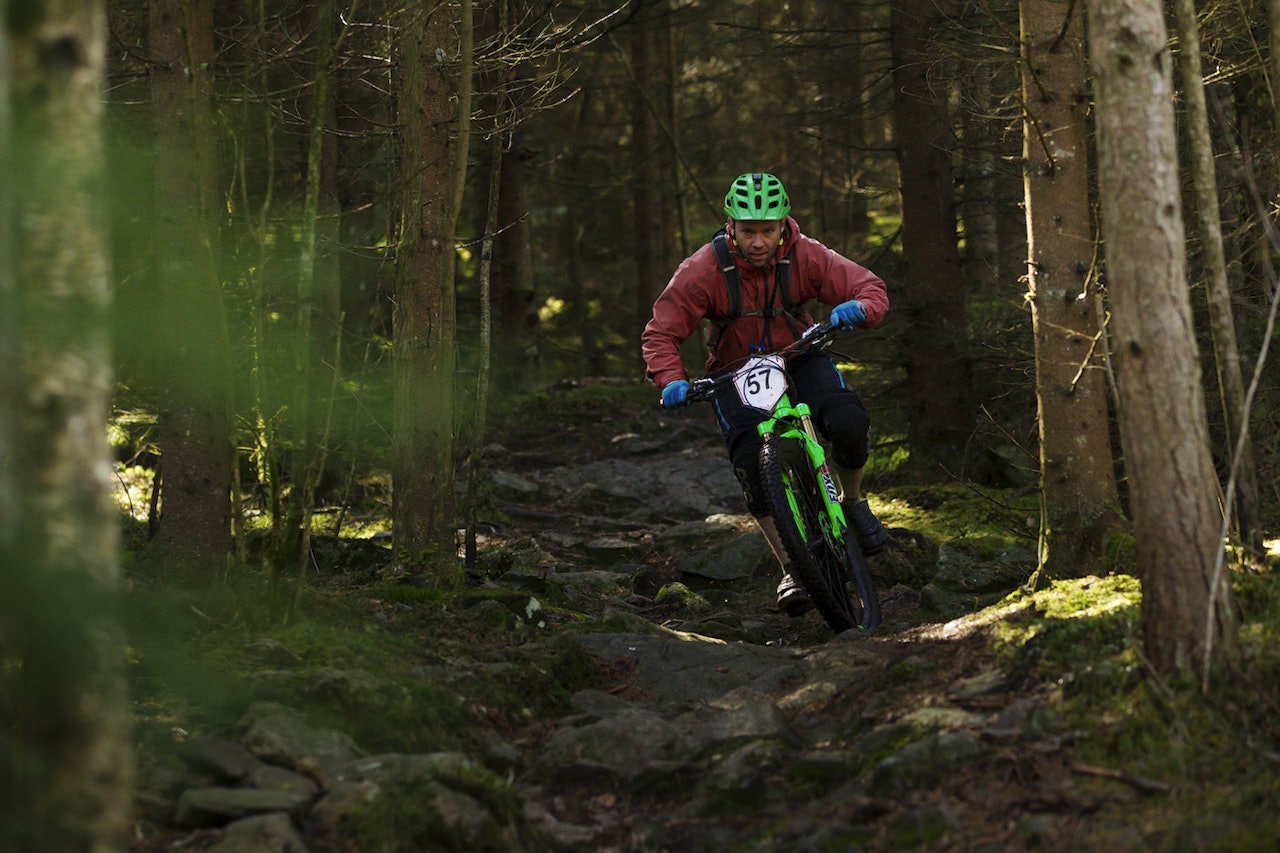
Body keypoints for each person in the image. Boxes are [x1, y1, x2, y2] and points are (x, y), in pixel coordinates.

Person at [640, 172, 889, 617]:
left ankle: (852, 503)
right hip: (736, 370)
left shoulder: (806, 255)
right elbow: (661, 333)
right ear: (731, 225)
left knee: (849, 421)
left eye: (768, 230)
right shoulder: (702, 269)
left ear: (782, 226)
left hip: (800, 353)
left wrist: (861, 308)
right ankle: (791, 565)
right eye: (749, 230)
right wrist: (671, 379)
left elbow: (868, 286)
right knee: (752, 465)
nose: (758, 241)